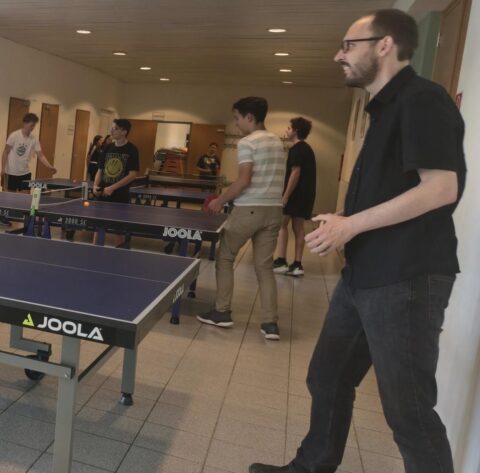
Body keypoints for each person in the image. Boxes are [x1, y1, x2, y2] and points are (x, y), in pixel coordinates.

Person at [251, 9, 465, 473]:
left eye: (348, 45)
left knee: (409, 413)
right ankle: (311, 467)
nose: (338, 55)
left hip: (406, 278)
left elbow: (441, 188)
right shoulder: (383, 109)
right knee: (327, 377)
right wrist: (346, 221)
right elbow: (394, 191)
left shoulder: (422, 100)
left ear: (384, 45)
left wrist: (351, 226)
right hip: (364, 274)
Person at [197, 97, 285, 340]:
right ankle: (270, 324)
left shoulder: (247, 142)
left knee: (225, 257)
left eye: (237, 118)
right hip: (274, 210)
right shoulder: (277, 141)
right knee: (264, 267)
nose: (236, 124)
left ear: (249, 117)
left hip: (249, 210)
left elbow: (244, 180)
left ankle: (222, 311)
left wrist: (219, 201)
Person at [272, 117, 317, 277]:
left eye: (289, 128)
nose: (287, 130)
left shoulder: (297, 149)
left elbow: (295, 173)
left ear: (296, 131)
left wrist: (285, 196)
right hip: (306, 195)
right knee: (298, 227)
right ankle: (297, 264)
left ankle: (281, 260)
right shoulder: (307, 149)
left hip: (295, 194)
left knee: (282, 224)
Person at [91, 119, 141, 246]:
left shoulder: (132, 150)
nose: (111, 131)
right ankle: (94, 252)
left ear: (124, 132)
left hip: (120, 195)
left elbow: (133, 174)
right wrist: (95, 185)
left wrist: (113, 187)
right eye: (112, 128)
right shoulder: (107, 148)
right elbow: (100, 170)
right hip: (103, 194)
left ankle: (119, 253)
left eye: (115, 128)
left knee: (119, 230)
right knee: (98, 227)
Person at [2, 113, 56, 192]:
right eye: (31, 125)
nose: (32, 128)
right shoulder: (14, 136)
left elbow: (40, 155)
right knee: (10, 197)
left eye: (34, 126)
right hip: (11, 173)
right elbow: (5, 152)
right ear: (25, 123)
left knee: (26, 197)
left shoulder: (34, 139)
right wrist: (3, 168)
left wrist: (49, 166)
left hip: (25, 173)